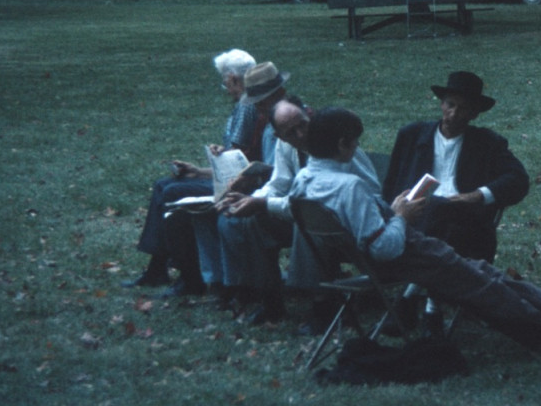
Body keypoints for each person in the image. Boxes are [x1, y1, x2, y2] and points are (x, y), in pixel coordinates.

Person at [289, 107, 541, 352]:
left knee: (481, 272)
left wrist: (393, 211)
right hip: (403, 258)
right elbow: (384, 248)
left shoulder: (304, 181)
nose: (356, 149)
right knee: (481, 285)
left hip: (378, 255)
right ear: (342, 143)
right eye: (354, 143)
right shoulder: (348, 186)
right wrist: (400, 215)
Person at [215, 98, 380, 326]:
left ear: (309, 114)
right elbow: (279, 182)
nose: (301, 134)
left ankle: (323, 304)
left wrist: (263, 204)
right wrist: (253, 199)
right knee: (254, 220)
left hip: (348, 217)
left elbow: (360, 192)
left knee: (310, 220)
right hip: (308, 210)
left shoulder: (334, 142)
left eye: (303, 125)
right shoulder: (286, 146)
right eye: (291, 132)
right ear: (279, 136)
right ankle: (270, 298)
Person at [121, 49, 262, 294]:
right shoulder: (245, 105)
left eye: (225, 82)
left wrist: (204, 173)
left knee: (172, 193)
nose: (225, 89)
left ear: (235, 80)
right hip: (233, 179)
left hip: (240, 186)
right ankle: (158, 268)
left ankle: (189, 276)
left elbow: (236, 165)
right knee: (164, 186)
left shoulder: (246, 107)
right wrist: (197, 171)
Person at [382, 71, 529, 264]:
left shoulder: (487, 143)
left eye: (463, 108)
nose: (454, 114)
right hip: (415, 214)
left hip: (463, 220)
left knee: (442, 211)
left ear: (474, 114)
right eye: (450, 105)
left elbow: (518, 179)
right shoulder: (413, 135)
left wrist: (477, 195)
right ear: (442, 104)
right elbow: (392, 181)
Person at [190, 61, 289, 296]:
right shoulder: (268, 125)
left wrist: (254, 194)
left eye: (263, 104)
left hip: (287, 201)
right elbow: (272, 175)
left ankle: (246, 289)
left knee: (232, 218)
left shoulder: (292, 123)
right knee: (215, 210)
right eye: (259, 107)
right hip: (266, 190)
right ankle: (225, 283)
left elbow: (287, 179)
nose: (261, 112)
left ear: (280, 94)